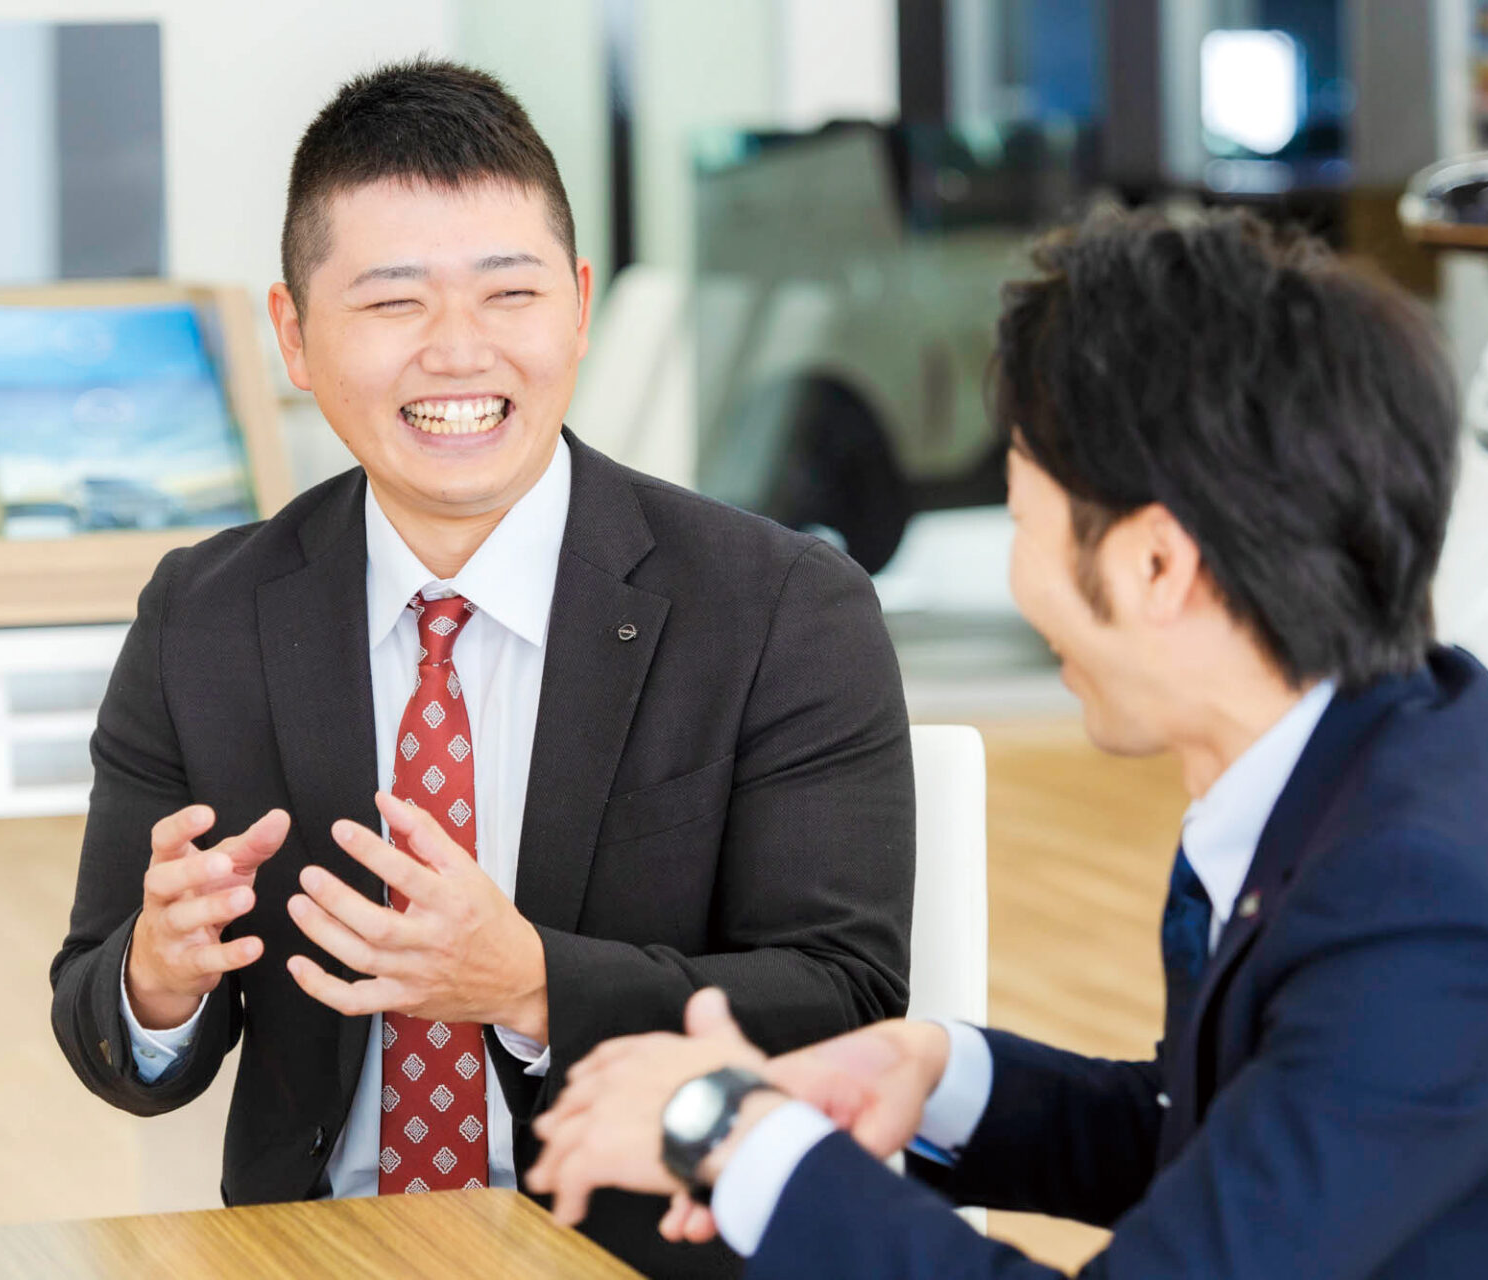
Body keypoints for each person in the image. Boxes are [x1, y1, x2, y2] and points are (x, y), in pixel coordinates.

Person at [523, 208, 1488, 1278]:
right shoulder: (1356, 763)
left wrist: (733, 1137)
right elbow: (1217, 1130)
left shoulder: (1427, 906)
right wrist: (937, 1069)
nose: (1019, 576)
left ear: (1157, 563)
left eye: (1025, 520)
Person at [49, 59, 913, 1280]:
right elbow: (101, 1022)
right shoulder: (205, 615)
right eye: (393, 303)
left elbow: (846, 997)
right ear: (292, 333)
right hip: (317, 1245)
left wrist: (532, 982)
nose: (459, 353)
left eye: (508, 292)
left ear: (577, 304)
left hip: (656, 1248)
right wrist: (158, 977)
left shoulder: (782, 608)